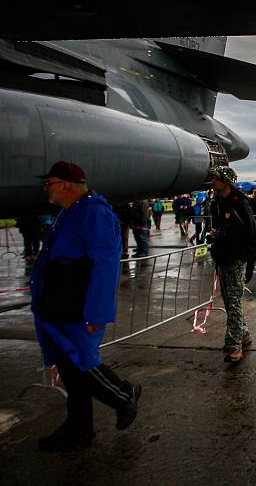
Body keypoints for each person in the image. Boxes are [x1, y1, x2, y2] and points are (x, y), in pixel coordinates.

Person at [31, 161, 141, 450]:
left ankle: (123, 396)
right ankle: (79, 427)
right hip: (61, 303)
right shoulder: (70, 213)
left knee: (79, 361)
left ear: (66, 184)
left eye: (50, 182)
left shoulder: (93, 213)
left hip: (77, 305)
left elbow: (105, 265)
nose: (46, 188)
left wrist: (97, 312)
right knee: (70, 367)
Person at [207, 166, 256, 363]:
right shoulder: (218, 203)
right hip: (222, 258)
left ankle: (233, 346)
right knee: (229, 302)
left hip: (236, 260)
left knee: (235, 302)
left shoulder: (239, 204)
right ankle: (243, 333)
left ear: (225, 181)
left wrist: (244, 258)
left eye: (215, 178)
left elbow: (254, 234)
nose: (212, 182)